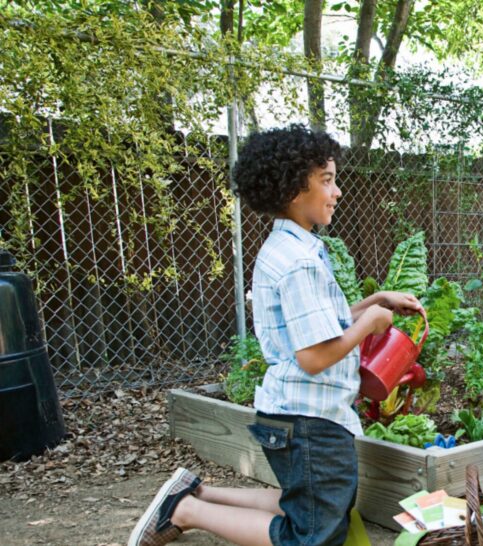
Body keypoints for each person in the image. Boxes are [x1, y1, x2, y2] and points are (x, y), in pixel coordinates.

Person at [128, 124, 421, 546]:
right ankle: (187, 511)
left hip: (297, 415)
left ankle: (196, 492)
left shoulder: (290, 248)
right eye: (327, 181)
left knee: (316, 503)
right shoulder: (298, 262)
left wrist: (376, 300)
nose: (337, 191)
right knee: (312, 533)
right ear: (291, 190)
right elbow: (314, 356)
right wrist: (369, 324)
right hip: (307, 421)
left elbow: (319, 326)